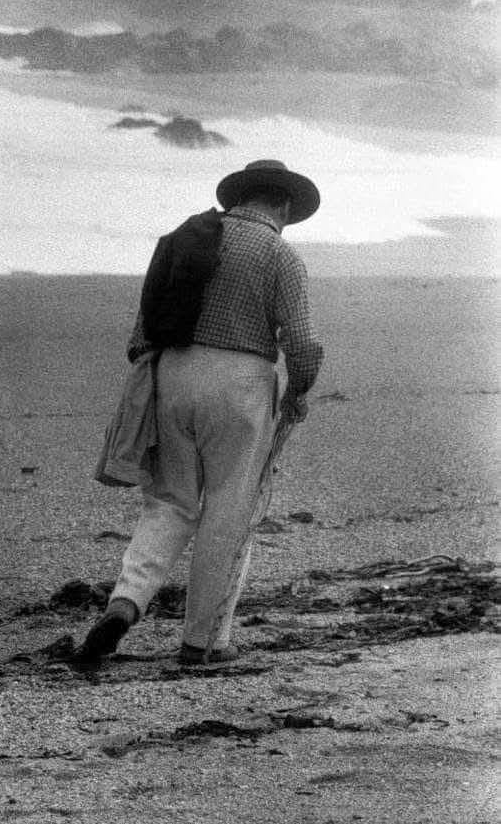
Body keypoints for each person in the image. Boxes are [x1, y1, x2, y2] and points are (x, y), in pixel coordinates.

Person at [77, 159, 324, 665]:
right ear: (282, 205)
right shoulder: (280, 254)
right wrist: (299, 390)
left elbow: (141, 332)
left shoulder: (182, 240)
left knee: (168, 502)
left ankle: (125, 602)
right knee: (230, 509)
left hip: (173, 374)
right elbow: (301, 341)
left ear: (240, 196)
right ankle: (203, 642)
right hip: (241, 383)